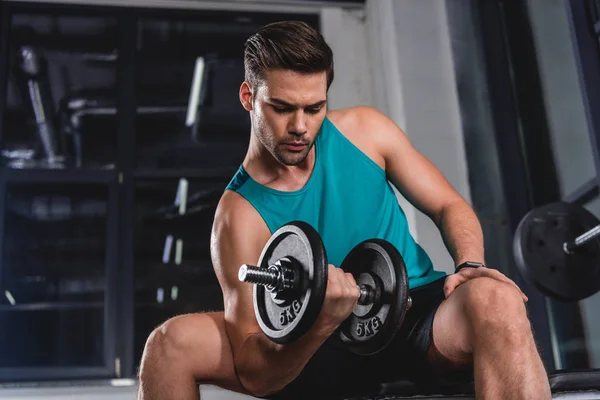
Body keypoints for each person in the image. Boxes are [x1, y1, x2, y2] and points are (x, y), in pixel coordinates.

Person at [137, 20, 552, 400]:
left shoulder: (366, 132)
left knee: (495, 298)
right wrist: (320, 320)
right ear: (249, 97)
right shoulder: (238, 215)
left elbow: (447, 204)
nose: (300, 126)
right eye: (282, 108)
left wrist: (469, 264)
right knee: (169, 345)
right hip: (312, 345)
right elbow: (254, 371)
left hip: (413, 317)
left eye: (313, 108)